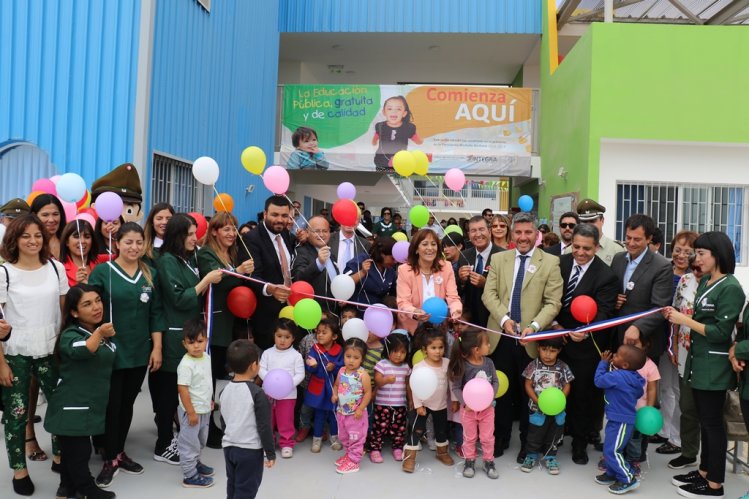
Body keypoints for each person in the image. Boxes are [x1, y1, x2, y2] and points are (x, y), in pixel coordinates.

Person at [664, 231, 745, 498]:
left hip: (714, 367)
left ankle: (714, 485)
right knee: (705, 420)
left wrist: (683, 320)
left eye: (700, 254)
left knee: (712, 424)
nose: (694, 258)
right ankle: (704, 472)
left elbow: (721, 332)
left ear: (717, 256)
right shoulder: (709, 282)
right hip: (699, 363)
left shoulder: (730, 287)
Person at [482, 211, 563, 462]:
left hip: (531, 341)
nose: (523, 237)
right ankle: (501, 438)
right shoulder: (499, 258)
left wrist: (536, 326)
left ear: (536, 234)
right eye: (518, 232)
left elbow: (553, 302)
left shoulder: (549, 262)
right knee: (502, 392)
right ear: (512, 234)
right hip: (501, 336)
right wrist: (505, 320)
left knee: (529, 395)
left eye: (528, 232)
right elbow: (489, 294)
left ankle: (528, 445)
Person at [89, 222, 165, 488]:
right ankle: (109, 457)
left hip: (138, 351)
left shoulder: (150, 274)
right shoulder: (103, 272)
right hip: (109, 351)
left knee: (127, 404)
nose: (134, 247)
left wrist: (156, 348)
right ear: (117, 243)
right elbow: (89, 307)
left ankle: (118, 452)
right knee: (112, 405)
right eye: (128, 242)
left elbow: (156, 314)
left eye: (138, 242)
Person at [0, 213, 69, 495]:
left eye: (37, 235)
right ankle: (19, 470)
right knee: (16, 415)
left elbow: (65, 313)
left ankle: (59, 457)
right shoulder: (4, 272)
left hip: (51, 349)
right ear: (14, 240)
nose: (32, 240)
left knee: (60, 407)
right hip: (16, 353)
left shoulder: (56, 269)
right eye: (25, 236)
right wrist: (1, 363)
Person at [153, 213, 223, 465]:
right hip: (174, 337)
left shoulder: (188, 257)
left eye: (196, 233)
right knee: (169, 394)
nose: (196, 238)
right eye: (190, 234)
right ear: (177, 236)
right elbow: (180, 298)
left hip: (190, 334)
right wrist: (206, 281)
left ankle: (184, 442)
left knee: (189, 392)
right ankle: (162, 444)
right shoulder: (167, 261)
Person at [554, 223, 618, 465]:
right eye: (576, 247)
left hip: (585, 346)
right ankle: (557, 434)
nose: (580, 252)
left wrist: (582, 331)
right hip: (557, 339)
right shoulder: (560, 263)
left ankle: (579, 444)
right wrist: (556, 325)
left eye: (586, 249)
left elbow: (604, 312)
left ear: (596, 247)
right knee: (557, 390)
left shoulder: (606, 276)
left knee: (582, 396)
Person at [44, 285, 116, 499]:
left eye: (98, 301)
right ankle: (87, 488)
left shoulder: (99, 330)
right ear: (74, 312)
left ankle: (66, 487)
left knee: (71, 451)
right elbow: (83, 349)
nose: (96, 307)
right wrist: (100, 333)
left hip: (90, 402)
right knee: (80, 451)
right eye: (87, 304)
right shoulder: (71, 334)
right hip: (72, 403)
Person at [198, 211, 254, 447]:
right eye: (226, 229)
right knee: (207, 379)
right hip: (213, 324)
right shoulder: (207, 254)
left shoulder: (229, 253)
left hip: (227, 324)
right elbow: (218, 280)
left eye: (234, 228)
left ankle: (212, 424)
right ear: (214, 231)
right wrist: (239, 272)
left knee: (215, 377)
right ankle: (207, 427)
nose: (232, 233)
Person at [657, 230, 698, 457]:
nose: (681, 255)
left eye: (688, 251)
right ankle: (664, 431)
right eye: (678, 250)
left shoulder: (694, 279)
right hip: (663, 338)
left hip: (682, 342)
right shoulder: (664, 271)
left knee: (678, 390)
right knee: (665, 388)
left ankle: (677, 437)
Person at [611, 214, 673, 359]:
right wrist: (613, 300)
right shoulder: (618, 259)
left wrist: (638, 327)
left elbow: (660, 308)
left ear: (649, 238)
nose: (631, 243)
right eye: (628, 237)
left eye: (637, 239)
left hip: (644, 342)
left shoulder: (661, 266)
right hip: (617, 337)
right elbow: (612, 290)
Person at [219, 339, 275, 499]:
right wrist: (270, 452)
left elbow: (224, 421)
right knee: (246, 491)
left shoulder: (224, 391)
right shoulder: (257, 393)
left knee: (233, 484)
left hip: (229, 447)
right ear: (253, 366)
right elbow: (264, 426)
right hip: (249, 451)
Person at [238, 196, 294, 350]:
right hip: (265, 317)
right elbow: (250, 276)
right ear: (265, 214)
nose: (280, 220)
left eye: (284, 216)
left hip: (289, 312)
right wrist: (271, 289)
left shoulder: (284, 234)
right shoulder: (251, 239)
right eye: (275, 215)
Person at [666, 255, 704, 470]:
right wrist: (673, 344)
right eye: (694, 267)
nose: (696, 271)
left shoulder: (722, 286)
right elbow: (675, 315)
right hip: (683, 350)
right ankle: (688, 452)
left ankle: (709, 463)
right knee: (687, 406)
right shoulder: (685, 281)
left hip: (707, 356)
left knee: (706, 411)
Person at [594, 345, 647, 495]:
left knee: (612, 450)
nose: (613, 356)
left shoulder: (616, 377)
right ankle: (612, 473)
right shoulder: (634, 377)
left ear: (625, 365)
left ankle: (627, 478)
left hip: (620, 420)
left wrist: (603, 363)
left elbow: (598, 381)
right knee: (610, 448)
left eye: (616, 355)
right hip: (621, 419)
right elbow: (637, 393)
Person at [449, 329, 499, 479]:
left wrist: (490, 398)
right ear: (476, 349)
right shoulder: (464, 365)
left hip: (487, 409)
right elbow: (456, 388)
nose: (489, 345)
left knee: (487, 437)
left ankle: (488, 461)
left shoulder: (489, 362)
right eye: (487, 343)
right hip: (469, 410)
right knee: (469, 438)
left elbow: (495, 382)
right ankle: (469, 461)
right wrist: (466, 403)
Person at [520, 337, 574, 475]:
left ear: (559, 351)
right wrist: (538, 401)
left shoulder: (563, 367)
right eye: (544, 349)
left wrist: (560, 400)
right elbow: (528, 384)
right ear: (538, 348)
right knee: (534, 434)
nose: (547, 354)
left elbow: (567, 384)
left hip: (557, 410)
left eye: (552, 351)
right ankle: (531, 455)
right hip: (537, 409)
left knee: (554, 433)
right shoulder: (533, 365)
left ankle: (550, 457)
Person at [402, 327, 453, 472]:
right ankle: (409, 457)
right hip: (423, 405)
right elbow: (415, 387)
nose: (437, 351)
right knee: (416, 430)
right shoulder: (419, 367)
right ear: (425, 349)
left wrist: (454, 400)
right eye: (433, 348)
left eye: (441, 347)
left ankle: (442, 453)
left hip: (441, 405)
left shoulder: (446, 363)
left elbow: (452, 383)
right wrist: (418, 405)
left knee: (441, 430)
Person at [395, 229, 462, 333]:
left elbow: (453, 297)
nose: (430, 248)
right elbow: (403, 302)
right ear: (416, 249)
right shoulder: (404, 270)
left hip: (439, 326)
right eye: (425, 244)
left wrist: (456, 310)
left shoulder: (447, 267)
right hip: (413, 327)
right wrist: (415, 312)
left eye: (433, 244)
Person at [176, 319, 215, 488]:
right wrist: (191, 412)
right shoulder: (186, 365)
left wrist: (210, 399)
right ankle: (190, 475)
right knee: (188, 443)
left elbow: (206, 380)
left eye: (200, 341)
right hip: (192, 412)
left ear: (206, 340)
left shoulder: (206, 357)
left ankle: (196, 462)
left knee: (200, 440)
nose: (196, 346)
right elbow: (183, 390)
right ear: (184, 343)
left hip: (204, 408)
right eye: (191, 342)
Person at [258, 319, 304, 459]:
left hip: (288, 395)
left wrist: (288, 384)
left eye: (287, 337)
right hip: (268, 393)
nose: (282, 340)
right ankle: (269, 442)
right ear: (274, 336)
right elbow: (261, 369)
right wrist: (269, 381)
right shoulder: (267, 353)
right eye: (279, 336)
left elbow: (300, 374)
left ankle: (287, 443)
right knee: (268, 419)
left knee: (286, 419)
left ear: (293, 338)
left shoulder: (296, 356)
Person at [366, 333, 411, 463]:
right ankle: (375, 449)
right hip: (382, 403)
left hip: (400, 404)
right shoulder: (382, 364)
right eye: (395, 351)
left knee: (399, 428)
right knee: (379, 428)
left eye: (402, 352)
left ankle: (397, 448)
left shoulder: (406, 367)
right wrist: (386, 380)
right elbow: (378, 382)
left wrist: (410, 400)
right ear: (387, 350)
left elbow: (407, 385)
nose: (398, 354)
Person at [331, 338, 372, 474]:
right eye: (348, 356)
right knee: (344, 436)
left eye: (356, 357)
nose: (351, 360)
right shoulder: (341, 371)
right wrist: (335, 394)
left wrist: (360, 409)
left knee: (356, 437)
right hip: (342, 412)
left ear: (362, 359)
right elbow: (336, 385)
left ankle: (354, 461)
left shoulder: (362, 375)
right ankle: (349, 455)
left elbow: (368, 393)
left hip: (356, 415)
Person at [304, 318, 344, 453]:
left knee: (334, 414)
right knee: (319, 414)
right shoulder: (314, 349)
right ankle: (317, 439)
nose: (320, 335)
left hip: (333, 387)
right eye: (318, 332)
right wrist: (313, 366)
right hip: (319, 387)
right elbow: (308, 365)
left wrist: (335, 366)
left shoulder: (339, 350)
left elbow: (344, 365)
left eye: (324, 332)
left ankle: (335, 437)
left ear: (334, 336)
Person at [623, 336, 660, 476]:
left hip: (640, 411)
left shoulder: (650, 366)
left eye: (635, 343)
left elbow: (651, 388)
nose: (631, 345)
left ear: (646, 345)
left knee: (636, 438)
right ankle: (622, 457)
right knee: (623, 435)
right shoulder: (625, 363)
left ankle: (634, 460)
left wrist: (649, 409)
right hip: (625, 409)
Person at [458, 215, 502, 329]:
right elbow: (458, 290)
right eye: (473, 231)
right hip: (470, 320)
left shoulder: (503, 256)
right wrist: (461, 280)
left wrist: (486, 283)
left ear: (489, 231)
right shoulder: (464, 255)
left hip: (494, 319)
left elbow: (507, 290)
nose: (478, 234)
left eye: (481, 229)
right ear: (469, 235)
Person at [291, 215, 338, 312]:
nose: (321, 235)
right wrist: (319, 263)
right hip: (313, 311)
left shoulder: (331, 254)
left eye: (325, 231)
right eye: (316, 231)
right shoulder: (301, 251)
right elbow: (299, 278)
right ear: (307, 233)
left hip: (332, 312)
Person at [372, 95, 422, 171]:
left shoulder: (409, 127)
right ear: (384, 112)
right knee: (384, 180)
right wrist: (374, 143)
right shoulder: (380, 126)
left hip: (401, 162)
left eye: (398, 109)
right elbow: (374, 141)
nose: (394, 112)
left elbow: (419, 142)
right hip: (381, 161)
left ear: (404, 113)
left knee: (400, 180)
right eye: (389, 109)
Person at [345, 237, 396, 308]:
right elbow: (344, 283)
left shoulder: (391, 271)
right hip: (356, 313)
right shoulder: (361, 260)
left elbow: (393, 294)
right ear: (382, 254)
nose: (395, 262)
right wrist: (362, 272)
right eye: (392, 258)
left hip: (378, 314)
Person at [571, 198, 625, 266]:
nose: (588, 225)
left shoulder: (617, 250)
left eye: (592, 221)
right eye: (584, 222)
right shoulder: (570, 250)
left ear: (602, 220)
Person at [59, 220, 102, 286]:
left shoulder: (102, 261)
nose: (82, 241)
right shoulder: (59, 268)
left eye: (87, 237)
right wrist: (78, 286)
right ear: (67, 242)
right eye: (76, 237)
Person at [30, 193, 66, 258]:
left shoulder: (68, 242)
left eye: (55, 214)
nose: (51, 220)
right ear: (34, 216)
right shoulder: (29, 245)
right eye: (45, 215)